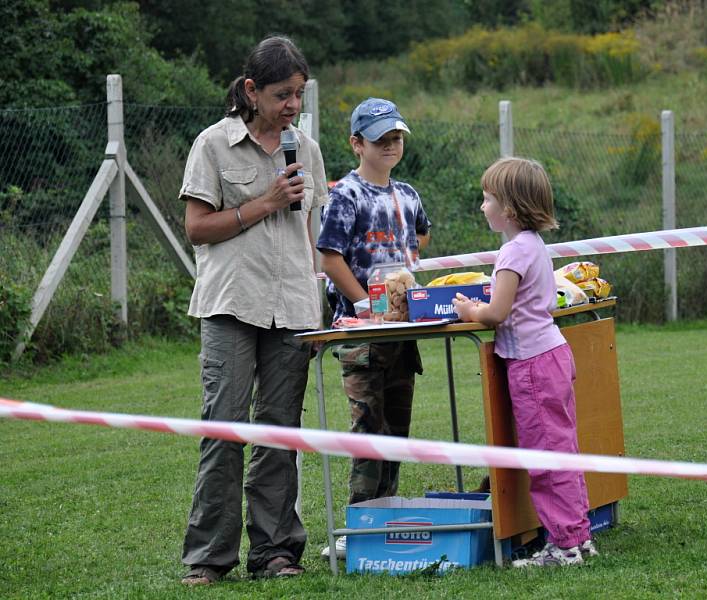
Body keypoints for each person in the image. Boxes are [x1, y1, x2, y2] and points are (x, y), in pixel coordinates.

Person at [178, 36, 328, 585]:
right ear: (251, 90)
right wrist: (263, 203)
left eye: (299, 94)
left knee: (280, 434)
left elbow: (313, 231)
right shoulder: (213, 145)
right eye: (283, 94)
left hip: (293, 306)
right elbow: (197, 228)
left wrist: (326, 298)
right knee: (224, 429)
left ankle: (275, 553)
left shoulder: (306, 150)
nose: (293, 105)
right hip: (232, 306)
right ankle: (209, 559)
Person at [452, 157, 597, 567]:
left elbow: (496, 314)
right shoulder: (534, 247)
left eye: (487, 199)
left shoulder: (513, 253)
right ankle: (577, 535)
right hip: (552, 355)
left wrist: (469, 311)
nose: (482, 207)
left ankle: (565, 545)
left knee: (545, 455)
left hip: (532, 365)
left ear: (509, 210)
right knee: (562, 449)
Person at [316, 98, 431, 559]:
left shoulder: (407, 194)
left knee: (396, 428)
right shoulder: (347, 193)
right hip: (361, 333)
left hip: (402, 331)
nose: (390, 144)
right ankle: (357, 529)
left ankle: (386, 521)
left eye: (396, 136)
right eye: (380, 137)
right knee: (367, 427)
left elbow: (420, 234)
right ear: (356, 143)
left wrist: (403, 269)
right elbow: (329, 257)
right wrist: (365, 302)